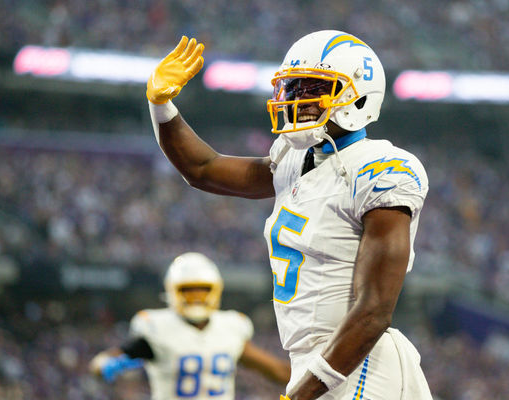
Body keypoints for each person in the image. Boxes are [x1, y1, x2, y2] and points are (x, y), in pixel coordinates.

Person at [145, 30, 432, 400]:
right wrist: (161, 105)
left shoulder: (382, 169)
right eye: (293, 88)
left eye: (313, 88)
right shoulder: (296, 160)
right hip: (322, 364)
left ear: (359, 95)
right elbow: (203, 169)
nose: (298, 99)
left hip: (359, 364)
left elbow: (374, 312)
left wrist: (301, 394)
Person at [89, 252, 291, 399]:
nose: (196, 298)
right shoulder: (157, 329)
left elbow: (277, 371)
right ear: (172, 291)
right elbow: (101, 362)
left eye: (202, 290)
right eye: (189, 291)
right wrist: (103, 364)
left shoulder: (230, 328)